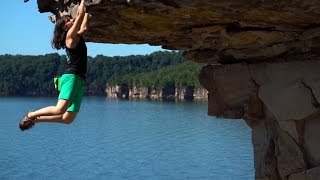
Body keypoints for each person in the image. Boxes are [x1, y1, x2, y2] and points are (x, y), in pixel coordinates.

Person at [19, 0, 90, 131]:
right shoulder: (70, 37)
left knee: (68, 119)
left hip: (79, 79)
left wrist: (87, 15)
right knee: (59, 109)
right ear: (65, 28)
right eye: (69, 20)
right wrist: (82, 2)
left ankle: (37, 120)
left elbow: (84, 27)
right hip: (72, 77)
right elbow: (79, 16)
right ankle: (31, 114)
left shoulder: (76, 37)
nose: (72, 20)